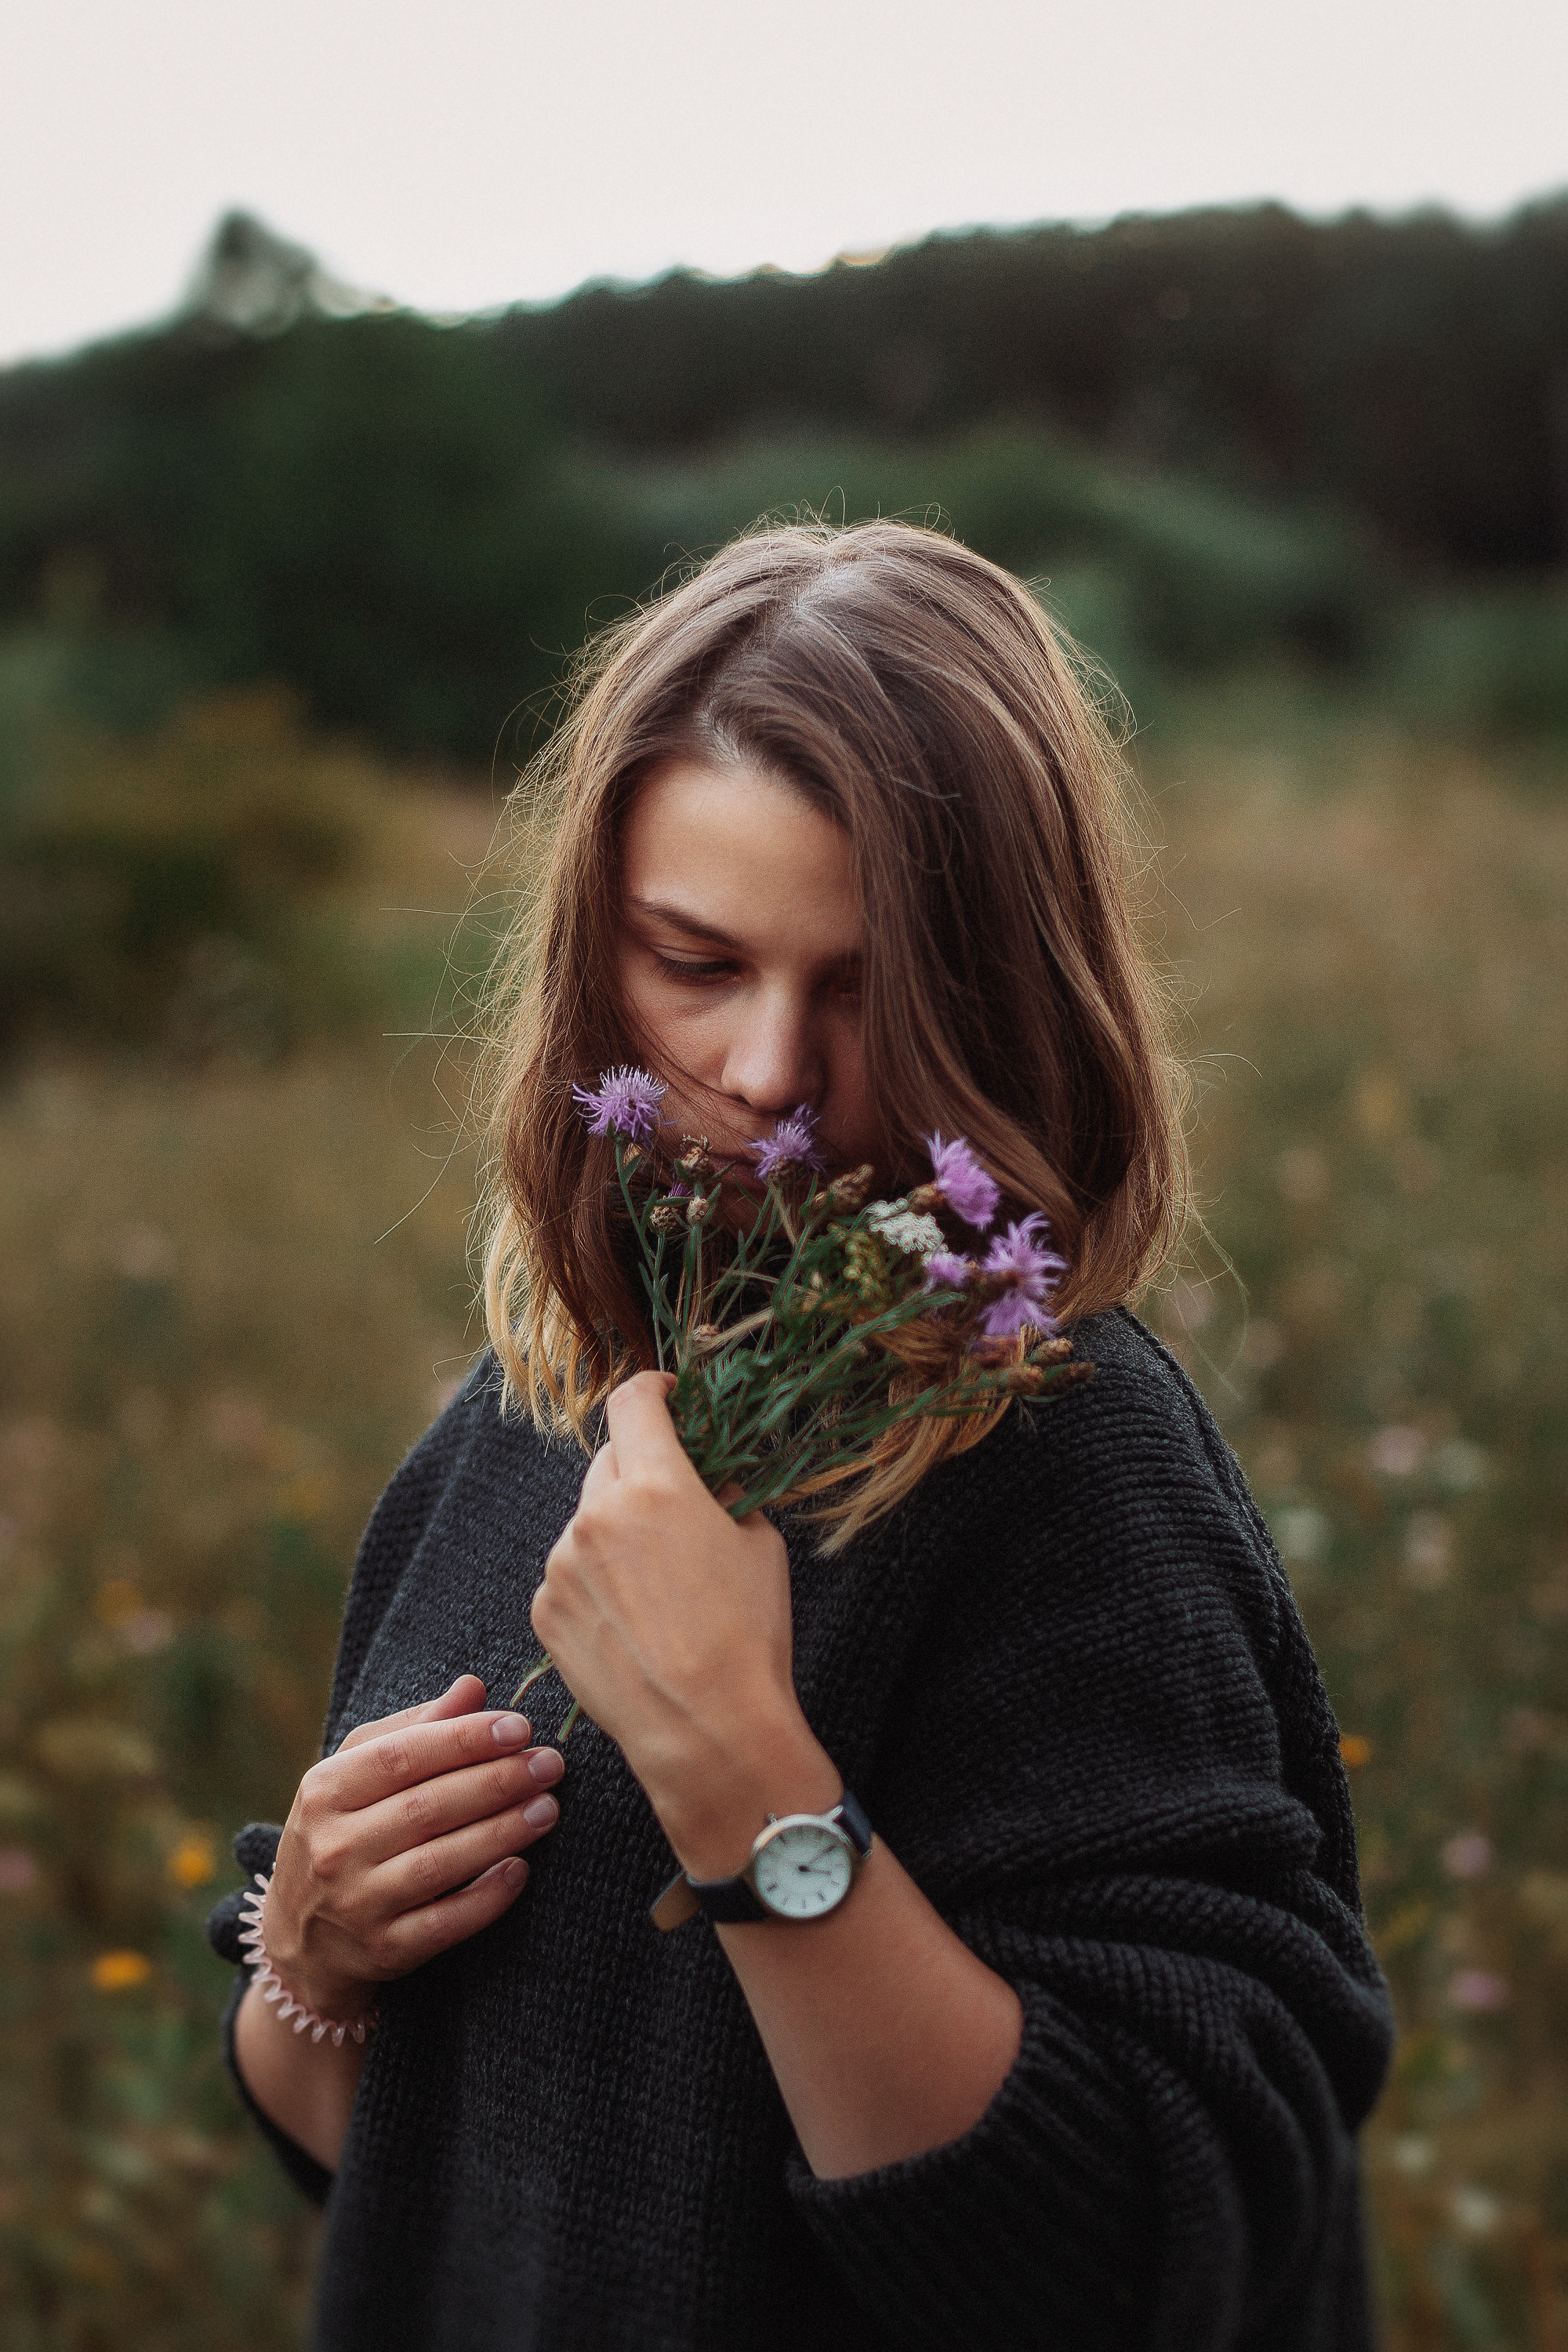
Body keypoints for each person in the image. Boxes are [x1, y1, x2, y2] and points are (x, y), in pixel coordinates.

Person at [208, 518, 1393, 2350]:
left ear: (1004, 992)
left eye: (861, 986)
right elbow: (403, 2179)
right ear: (591, 966)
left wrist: (746, 1782)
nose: (769, 1073)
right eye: (696, 963)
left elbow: (1160, 2262)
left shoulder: (1069, 1476)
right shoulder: (520, 1424)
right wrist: (311, 1968)